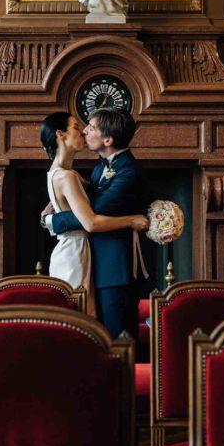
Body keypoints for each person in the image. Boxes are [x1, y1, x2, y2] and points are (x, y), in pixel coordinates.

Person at [43, 109, 149, 338]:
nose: (85, 131)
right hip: (89, 261)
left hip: (114, 268)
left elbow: (92, 213)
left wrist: (52, 221)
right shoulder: (99, 167)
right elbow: (86, 211)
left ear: (108, 140)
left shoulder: (128, 171)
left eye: (91, 128)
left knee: (117, 337)